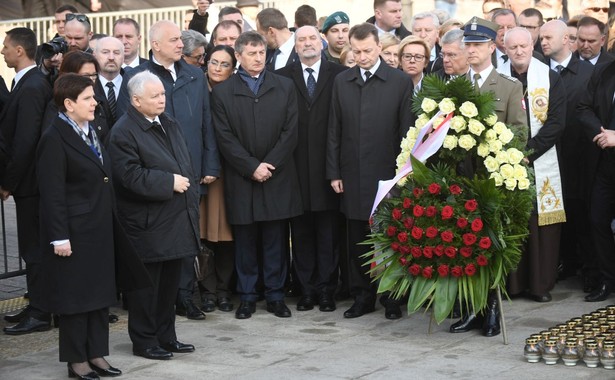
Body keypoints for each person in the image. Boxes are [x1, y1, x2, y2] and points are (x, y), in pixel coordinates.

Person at [117, 20, 220, 320]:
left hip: (192, 171)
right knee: (162, 241)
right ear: (156, 44)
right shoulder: (138, 78)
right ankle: (162, 302)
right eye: (174, 39)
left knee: (188, 236)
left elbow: (206, 121)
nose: (181, 44)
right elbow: (131, 127)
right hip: (158, 176)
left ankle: (185, 296)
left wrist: (210, 163)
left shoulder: (194, 75)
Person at [109, 70, 199, 360]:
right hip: (148, 224)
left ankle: (166, 336)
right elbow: (129, 177)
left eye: (162, 94)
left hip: (173, 220)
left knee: (168, 287)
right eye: (155, 96)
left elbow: (182, 160)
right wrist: (168, 182)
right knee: (146, 289)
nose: (162, 99)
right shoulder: (123, 132)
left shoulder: (166, 122)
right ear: (136, 100)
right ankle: (145, 341)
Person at [326, 23, 414, 320]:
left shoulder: (400, 82)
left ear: (379, 47)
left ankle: (391, 297)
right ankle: (362, 296)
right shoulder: (342, 81)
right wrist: (334, 172)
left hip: (387, 172)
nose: (361, 56)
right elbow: (334, 129)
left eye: (367, 51)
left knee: (389, 235)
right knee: (356, 238)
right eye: (356, 51)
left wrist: (402, 174)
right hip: (351, 173)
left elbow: (406, 132)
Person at [211, 31, 301, 320]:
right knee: (246, 239)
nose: (258, 58)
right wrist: (251, 166)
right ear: (238, 56)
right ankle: (248, 296)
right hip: (242, 177)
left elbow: (291, 131)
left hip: (277, 174)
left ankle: (275, 295)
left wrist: (270, 164)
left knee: (276, 238)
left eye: (261, 52)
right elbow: (224, 137)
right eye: (251, 53)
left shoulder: (284, 86)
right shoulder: (224, 92)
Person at [37, 73, 121, 380]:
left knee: (99, 294)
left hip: (98, 226)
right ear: (69, 104)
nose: (95, 102)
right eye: (87, 98)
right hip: (73, 231)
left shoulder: (91, 129)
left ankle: (96, 353)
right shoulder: (54, 137)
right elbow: (52, 192)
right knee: (76, 297)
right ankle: (77, 361)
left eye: (94, 97)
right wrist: (60, 236)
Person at [449, 17, 527, 337]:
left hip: (494, 178)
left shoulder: (509, 86)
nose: (471, 50)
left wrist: (498, 145)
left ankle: (492, 308)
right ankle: (471, 309)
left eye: (477, 45)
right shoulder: (455, 85)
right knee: (466, 244)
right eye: (467, 45)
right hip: (462, 175)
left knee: (493, 244)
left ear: (492, 47)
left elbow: (520, 131)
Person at [276, 26, 347, 313]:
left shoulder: (339, 75)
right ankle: (306, 290)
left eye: (312, 38)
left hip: (328, 168)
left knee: (328, 233)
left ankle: (327, 290)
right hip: (293, 168)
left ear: (321, 42)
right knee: (301, 231)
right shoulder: (282, 77)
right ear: (295, 46)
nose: (307, 43)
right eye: (301, 39)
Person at [500, 27, 567, 303]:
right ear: (505, 49)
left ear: (532, 45)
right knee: (513, 219)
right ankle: (513, 285)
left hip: (539, 158)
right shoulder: (499, 78)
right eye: (512, 47)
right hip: (504, 160)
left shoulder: (549, 77)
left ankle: (539, 285)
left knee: (541, 225)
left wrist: (528, 153)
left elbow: (556, 123)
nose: (518, 51)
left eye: (523, 46)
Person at [1, 27, 53, 335]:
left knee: (35, 250)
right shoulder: (26, 83)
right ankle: (37, 304)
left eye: (7, 46)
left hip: (32, 185)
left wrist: (8, 181)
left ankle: (41, 312)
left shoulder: (33, 86)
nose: (3, 51)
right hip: (30, 184)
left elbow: (25, 142)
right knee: (31, 249)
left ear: (20, 50)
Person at [540, 20, 596, 288]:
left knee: (580, 215)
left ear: (566, 40)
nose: (543, 42)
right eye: (541, 37)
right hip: (546, 157)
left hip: (579, 157)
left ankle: (587, 268)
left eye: (549, 37)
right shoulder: (537, 72)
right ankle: (561, 263)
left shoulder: (588, 73)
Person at [199, 45, 237, 314]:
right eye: (214, 62)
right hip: (203, 171)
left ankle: (224, 290)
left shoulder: (235, 91)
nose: (218, 68)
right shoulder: (195, 87)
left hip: (230, 171)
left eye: (225, 64)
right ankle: (206, 290)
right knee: (204, 233)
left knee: (226, 233)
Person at [42, 51, 112, 144]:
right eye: (85, 76)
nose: (91, 80)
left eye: (94, 75)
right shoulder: (56, 107)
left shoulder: (99, 102)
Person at [93, 37, 123, 127]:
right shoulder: (86, 86)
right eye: (105, 52)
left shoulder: (133, 84)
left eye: (116, 53)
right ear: (94, 55)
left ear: (123, 57)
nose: (111, 58)